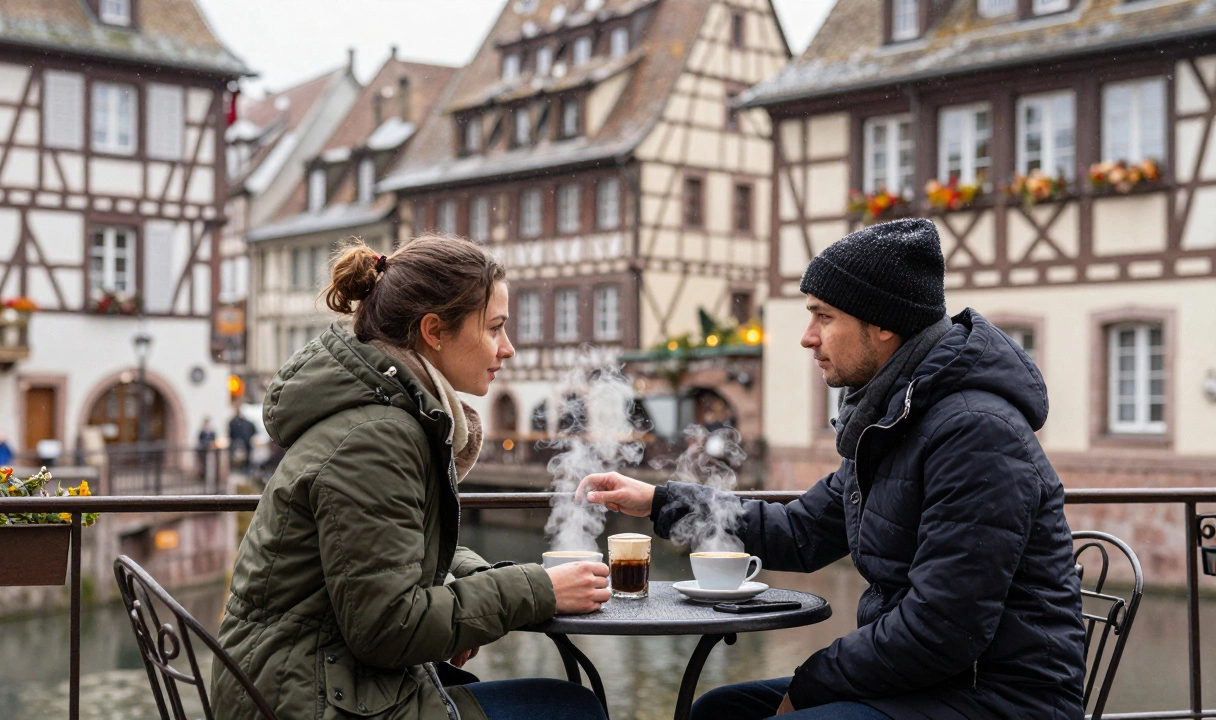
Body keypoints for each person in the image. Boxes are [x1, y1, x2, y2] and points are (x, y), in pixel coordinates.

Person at [579, 218, 1086, 720]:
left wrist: (812, 683)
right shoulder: (895, 418)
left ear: (883, 323)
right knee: (721, 709)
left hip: (999, 697)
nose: (806, 337)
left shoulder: (974, 432)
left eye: (824, 317)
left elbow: (943, 628)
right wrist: (659, 501)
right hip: (927, 681)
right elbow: (801, 531)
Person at [212, 236, 610, 720]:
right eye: (495, 328)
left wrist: (485, 586)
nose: (508, 348)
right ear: (433, 331)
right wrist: (538, 591)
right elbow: (388, 627)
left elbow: (389, 550)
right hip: (307, 700)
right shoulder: (378, 437)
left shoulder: (383, 415)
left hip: (309, 680)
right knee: (571, 708)